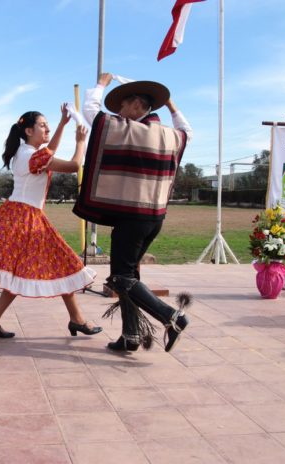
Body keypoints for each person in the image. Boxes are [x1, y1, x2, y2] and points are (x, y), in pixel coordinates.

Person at [0, 105, 102, 339]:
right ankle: (76, 319)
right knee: (60, 262)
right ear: (29, 131)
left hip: (24, 217)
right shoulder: (28, 155)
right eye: (43, 125)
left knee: (39, 268)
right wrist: (81, 141)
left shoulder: (30, 154)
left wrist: (63, 124)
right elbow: (74, 165)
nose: (47, 128)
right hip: (24, 219)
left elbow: (50, 151)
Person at [74, 73, 193, 353]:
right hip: (155, 219)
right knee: (129, 277)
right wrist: (173, 106)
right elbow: (187, 129)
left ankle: (172, 317)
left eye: (124, 106)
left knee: (120, 278)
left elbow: (92, 112)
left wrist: (101, 85)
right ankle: (130, 336)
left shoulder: (128, 129)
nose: (119, 112)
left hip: (132, 219)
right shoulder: (170, 136)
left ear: (138, 106)